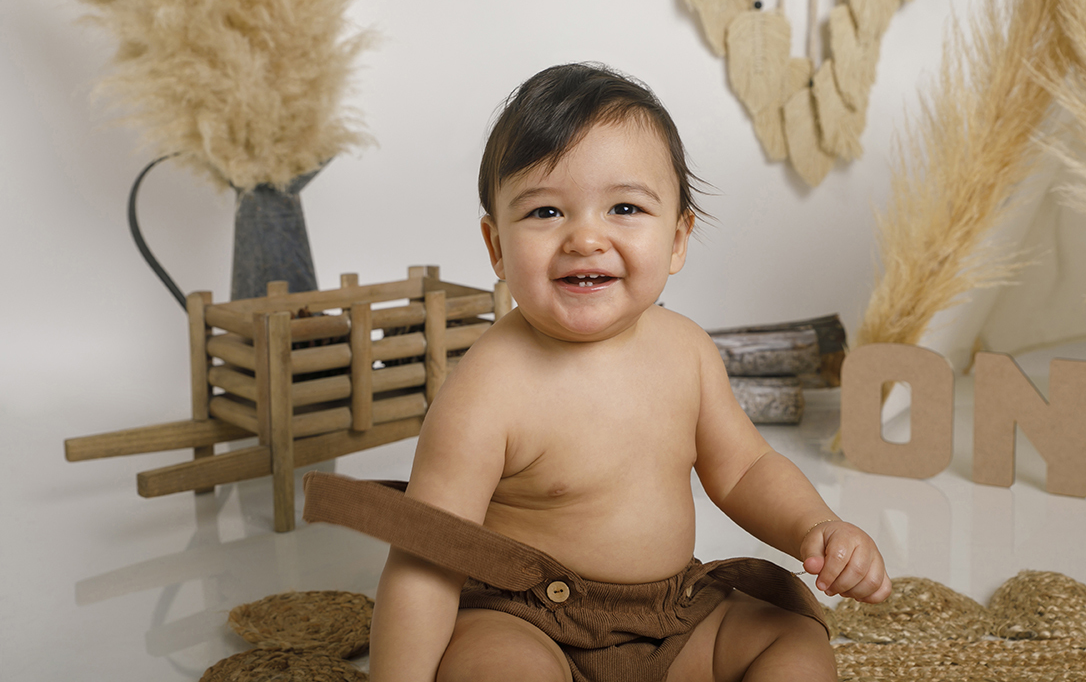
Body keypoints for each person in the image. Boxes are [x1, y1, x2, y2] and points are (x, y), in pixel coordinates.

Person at [303, 62, 891, 682]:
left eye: (625, 207)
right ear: (497, 247)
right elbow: (429, 555)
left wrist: (816, 525)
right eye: (545, 213)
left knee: (794, 645)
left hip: (675, 615)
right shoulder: (487, 389)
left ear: (677, 239)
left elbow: (745, 470)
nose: (585, 238)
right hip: (524, 620)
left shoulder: (687, 351)